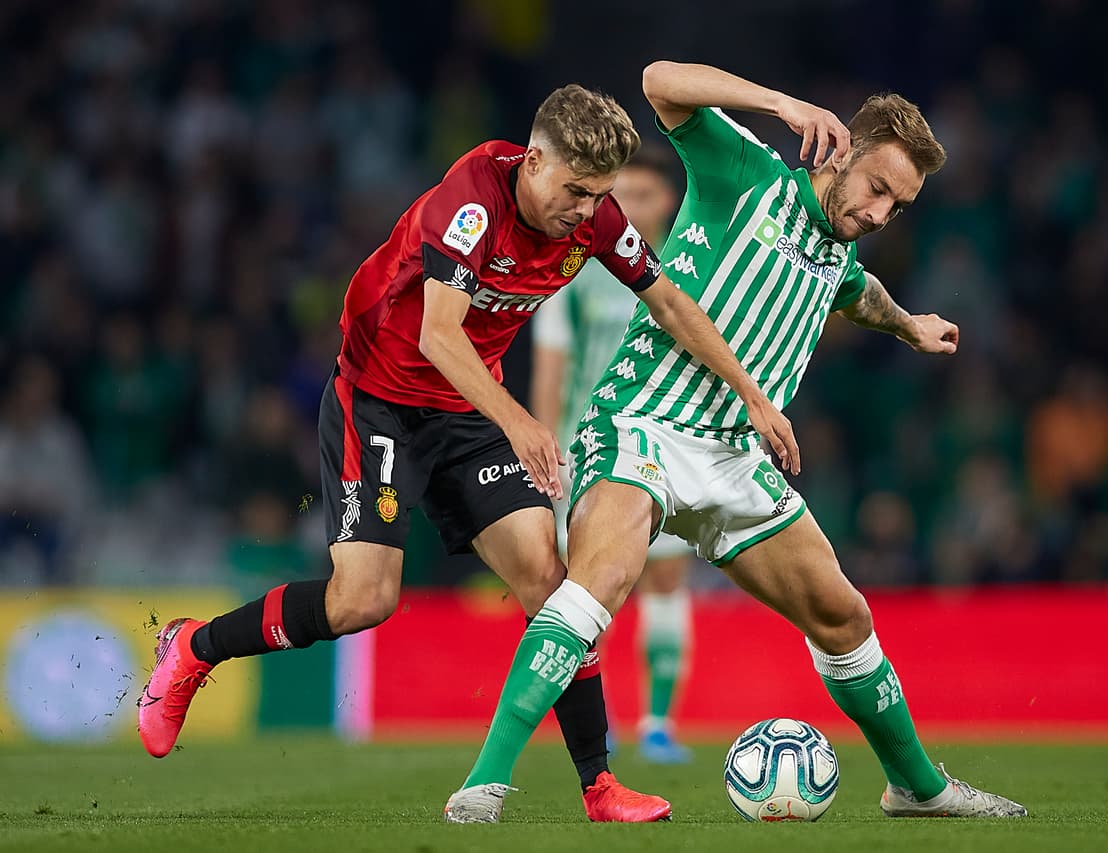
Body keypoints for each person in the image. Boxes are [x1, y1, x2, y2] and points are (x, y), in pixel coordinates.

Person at [137, 82, 798, 824]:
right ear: (534, 159)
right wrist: (521, 422)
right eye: (575, 191)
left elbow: (670, 300)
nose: (585, 210)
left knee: (554, 588)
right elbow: (438, 335)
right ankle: (193, 647)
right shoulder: (471, 203)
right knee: (364, 600)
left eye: (598, 196)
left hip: (467, 409)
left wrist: (751, 392)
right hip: (381, 400)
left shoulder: (594, 219)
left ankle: (599, 785)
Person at [447, 61, 1028, 821]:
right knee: (597, 587)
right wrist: (781, 103)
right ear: (844, 152)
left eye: (901, 204)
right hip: (642, 425)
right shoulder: (745, 170)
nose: (884, 212)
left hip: (736, 456)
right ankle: (484, 783)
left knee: (844, 614)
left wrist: (909, 323)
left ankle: (916, 786)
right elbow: (658, 79)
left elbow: (858, 292)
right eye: (879, 188)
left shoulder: (837, 251)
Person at [530, 150, 695, 764]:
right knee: (591, 587)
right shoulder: (573, 270)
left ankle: (659, 723)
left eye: (643, 194)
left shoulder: (689, 270)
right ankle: (603, 724)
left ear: (669, 202)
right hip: (587, 448)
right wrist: (544, 446)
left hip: (668, 443)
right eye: (617, 194)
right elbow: (551, 367)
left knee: (666, 577)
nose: (627, 206)